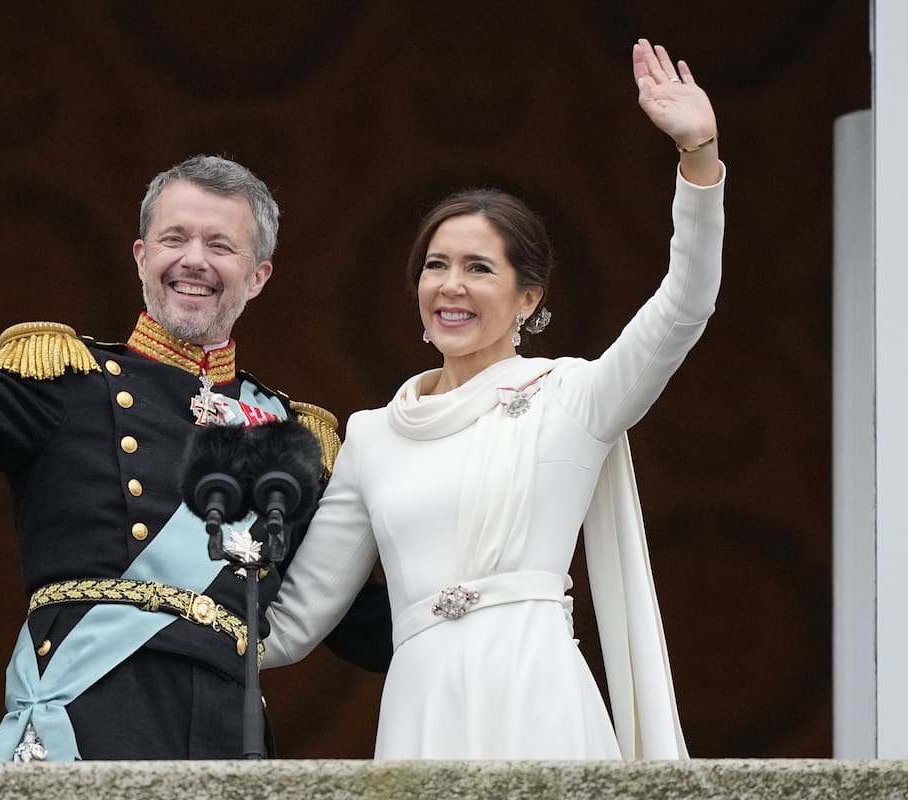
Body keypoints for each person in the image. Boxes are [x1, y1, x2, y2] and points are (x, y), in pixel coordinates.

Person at [0, 151, 391, 760]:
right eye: (175, 238)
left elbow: (354, 616)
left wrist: (492, 607)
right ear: (142, 257)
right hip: (91, 722)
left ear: (258, 276)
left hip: (226, 739)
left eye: (220, 245)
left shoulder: (291, 438)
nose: (193, 259)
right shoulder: (69, 381)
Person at [260, 39, 724, 760]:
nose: (451, 285)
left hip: (538, 698)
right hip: (421, 713)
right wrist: (152, 612)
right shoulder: (374, 437)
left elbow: (684, 307)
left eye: (480, 268)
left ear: (527, 297)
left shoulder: (571, 397)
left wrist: (698, 158)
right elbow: (290, 625)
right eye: (435, 266)